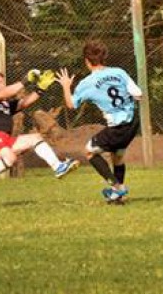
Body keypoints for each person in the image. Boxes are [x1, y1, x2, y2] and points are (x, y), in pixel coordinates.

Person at [0, 70, 79, 206]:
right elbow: (4, 92)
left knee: (35, 138)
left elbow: (23, 103)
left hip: (4, 139)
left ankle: (58, 166)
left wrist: (40, 89)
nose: (2, 85)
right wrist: (25, 81)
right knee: (9, 157)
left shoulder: (4, 103)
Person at [56, 40, 141, 204]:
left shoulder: (87, 83)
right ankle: (119, 196)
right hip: (132, 123)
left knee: (90, 151)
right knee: (117, 156)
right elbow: (138, 94)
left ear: (87, 61)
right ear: (104, 57)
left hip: (117, 127)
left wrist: (66, 86)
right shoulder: (119, 72)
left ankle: (117, 187)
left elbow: (71, 105)